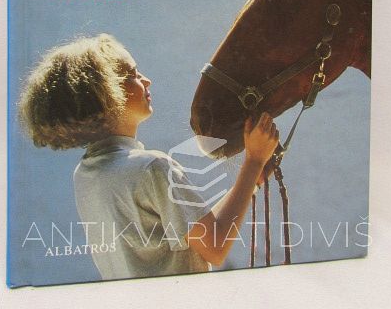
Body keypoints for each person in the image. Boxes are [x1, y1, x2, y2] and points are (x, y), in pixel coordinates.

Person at [19, 33, 279, 280]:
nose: (146, 80)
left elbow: (198, 232)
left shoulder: (85, 174)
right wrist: (254, 160)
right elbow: (215, 247)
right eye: (132, 74)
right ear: (106, 93)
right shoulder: (153, 168)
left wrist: (252, 180)